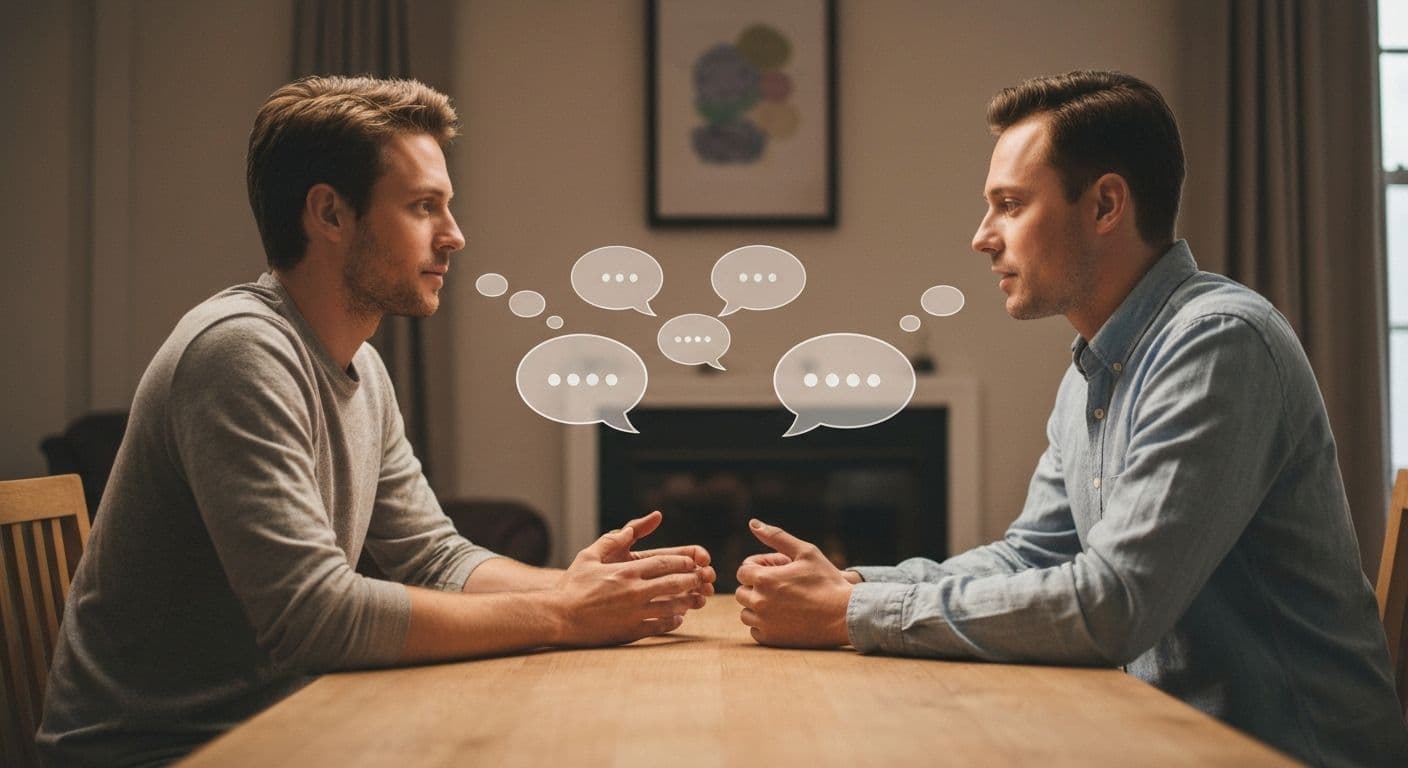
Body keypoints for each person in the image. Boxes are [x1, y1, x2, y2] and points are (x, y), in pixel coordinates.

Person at [734, 70, 1408, 765]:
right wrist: (856, 585)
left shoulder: (1219, 344)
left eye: (1009, 204)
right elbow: (1031, 555)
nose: (981, 238)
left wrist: (849, 616)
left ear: (1106, 204)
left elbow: (1113, 605)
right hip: (1158, 740)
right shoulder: (1096, 364)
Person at [37, 76, 715, 767]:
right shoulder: (237, 351)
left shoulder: (360, 366)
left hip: (284, 731)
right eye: (424, 207)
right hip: (164, 753)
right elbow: (314, 618)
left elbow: (434, 557)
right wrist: (564, 614)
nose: (454, 236)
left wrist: (581, 586)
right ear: (330, 213)